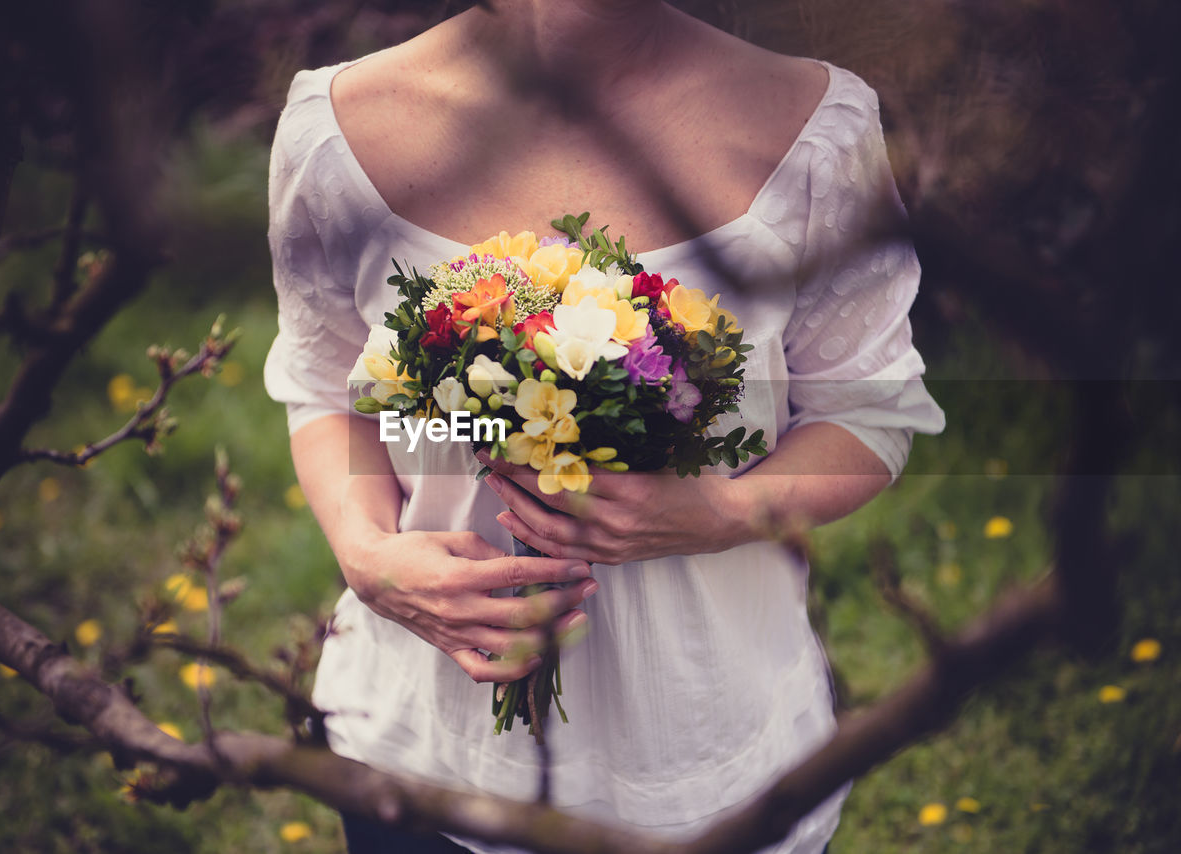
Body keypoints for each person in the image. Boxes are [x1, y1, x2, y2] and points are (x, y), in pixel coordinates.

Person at [263, 2, 945, 852]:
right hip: (420, 756)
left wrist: (722, 515)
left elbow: (868, 411)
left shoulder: (815, 129)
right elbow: (326, 384)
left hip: (706, 759)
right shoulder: (339, 127)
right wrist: (367, 555)